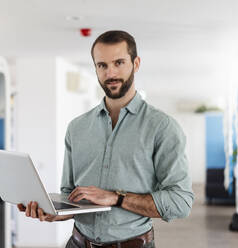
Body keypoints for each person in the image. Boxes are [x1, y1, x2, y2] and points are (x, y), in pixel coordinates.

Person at [18, 30, 194, 248]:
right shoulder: (77, 128)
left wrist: (117, 197)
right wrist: (55, 212)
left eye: (119, 62)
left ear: (136, 64)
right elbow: (69, 194)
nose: (110, 73)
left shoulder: (162, 127)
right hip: (77, 243)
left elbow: (180, 202)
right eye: (102, 65)